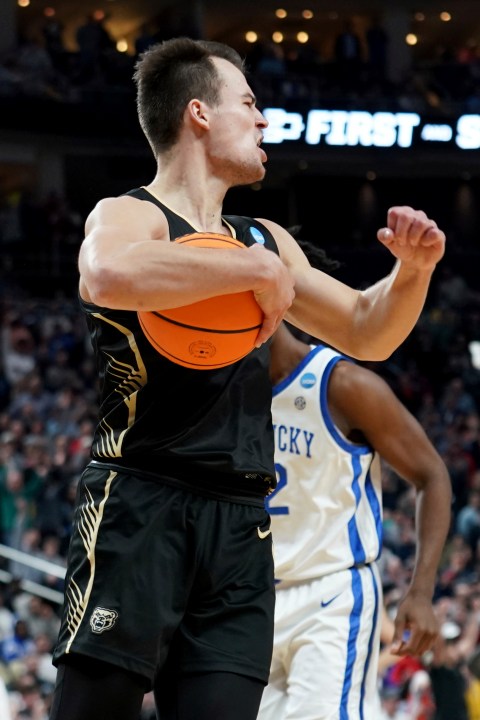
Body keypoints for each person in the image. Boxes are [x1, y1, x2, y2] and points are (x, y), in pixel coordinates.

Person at [48, 37, 446, 720]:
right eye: (250, 103)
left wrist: (412, 273)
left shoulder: (264, 238)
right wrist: (251, 272)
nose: (264, 120)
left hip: (242, 526)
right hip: (141, 500)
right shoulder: (133, 213)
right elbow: (107, 274)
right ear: (198, 113)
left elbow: (364, 329)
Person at [257, 320, 452, 720]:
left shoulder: (341, 385)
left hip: (329, 592)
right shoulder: (223, 393)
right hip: (250, 597)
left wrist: (420, 589)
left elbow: (431, 475)